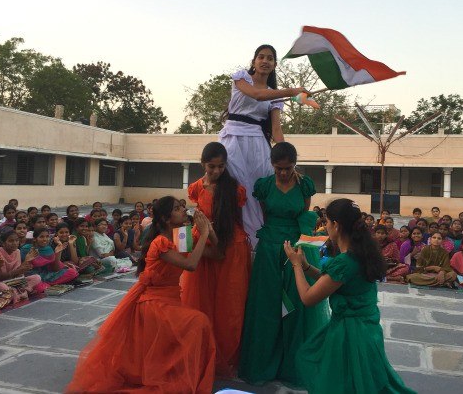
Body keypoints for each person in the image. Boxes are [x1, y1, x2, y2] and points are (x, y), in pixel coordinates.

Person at [66, 197, 216, 393]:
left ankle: (174, 371)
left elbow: (215, 250)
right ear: (166, 218)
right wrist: (203, 233)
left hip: (170, 299)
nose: (183, 211)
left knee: (196, 324)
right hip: (154, 302)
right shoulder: (160, 242)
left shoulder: (181, 236)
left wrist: (209, 230)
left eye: (182, 208)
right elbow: (191, 264)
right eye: (178, 209)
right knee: (198, 321)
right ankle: (174, 373)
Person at [283, 198, 414, 393]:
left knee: (338, 380)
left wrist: (295, 264)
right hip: (365, 329)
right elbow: (333, 282)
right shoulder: (360, 253)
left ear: (336, 225)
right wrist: (306, 266)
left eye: (326, 222)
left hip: (351, 335)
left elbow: (308, 298)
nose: (326, 227)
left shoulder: (345, 261)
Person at [238, 142, 329, 387]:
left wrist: (298, 248)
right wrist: (275, 239)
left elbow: (305, 214)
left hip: (297, 248)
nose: (283, 173)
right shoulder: (265, 186)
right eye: (278, 168)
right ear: (272, 165)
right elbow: (266, 215)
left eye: (287, 168)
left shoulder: (305, 185)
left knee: (296, 306)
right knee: (267, 304)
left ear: (294, 165)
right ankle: (264, 362)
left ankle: (292, 365)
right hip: (269, 247)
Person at [218, 44, 310, 249]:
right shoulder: (241, 78)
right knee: (234, 187)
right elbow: (256, 95)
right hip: (233, 138)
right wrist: (292, 91)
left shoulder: (275, 97)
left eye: (270, 58)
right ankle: (231, 237)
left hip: (258, 143)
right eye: (261, 57)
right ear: (253, 61)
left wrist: (289, 159)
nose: (265, 61)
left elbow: (276, 131)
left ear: (275, 64)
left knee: (260, 189)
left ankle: (257, 241)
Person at [181, 142, 251, 377]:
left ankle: (225, 356)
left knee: (228, 307)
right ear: (203, 164)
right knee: (199, 304)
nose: (216, 171)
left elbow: (237, 221)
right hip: (203, 247)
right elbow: (194, 223)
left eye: (221, 166)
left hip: (230, 248)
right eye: (212, 166)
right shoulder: (196, 188)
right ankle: (200, 352)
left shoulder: (235, 189)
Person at [0, 230, 45, 301]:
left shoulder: (17, 251)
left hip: (13, 282)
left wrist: (25, 265)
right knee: (2, 287)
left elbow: (18, 276)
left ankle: (23, 291)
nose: (15, 243)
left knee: (37, 277)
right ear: (3, 243)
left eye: (17, 240)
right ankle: (19, 293)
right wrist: (19, 270)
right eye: (11, 241)